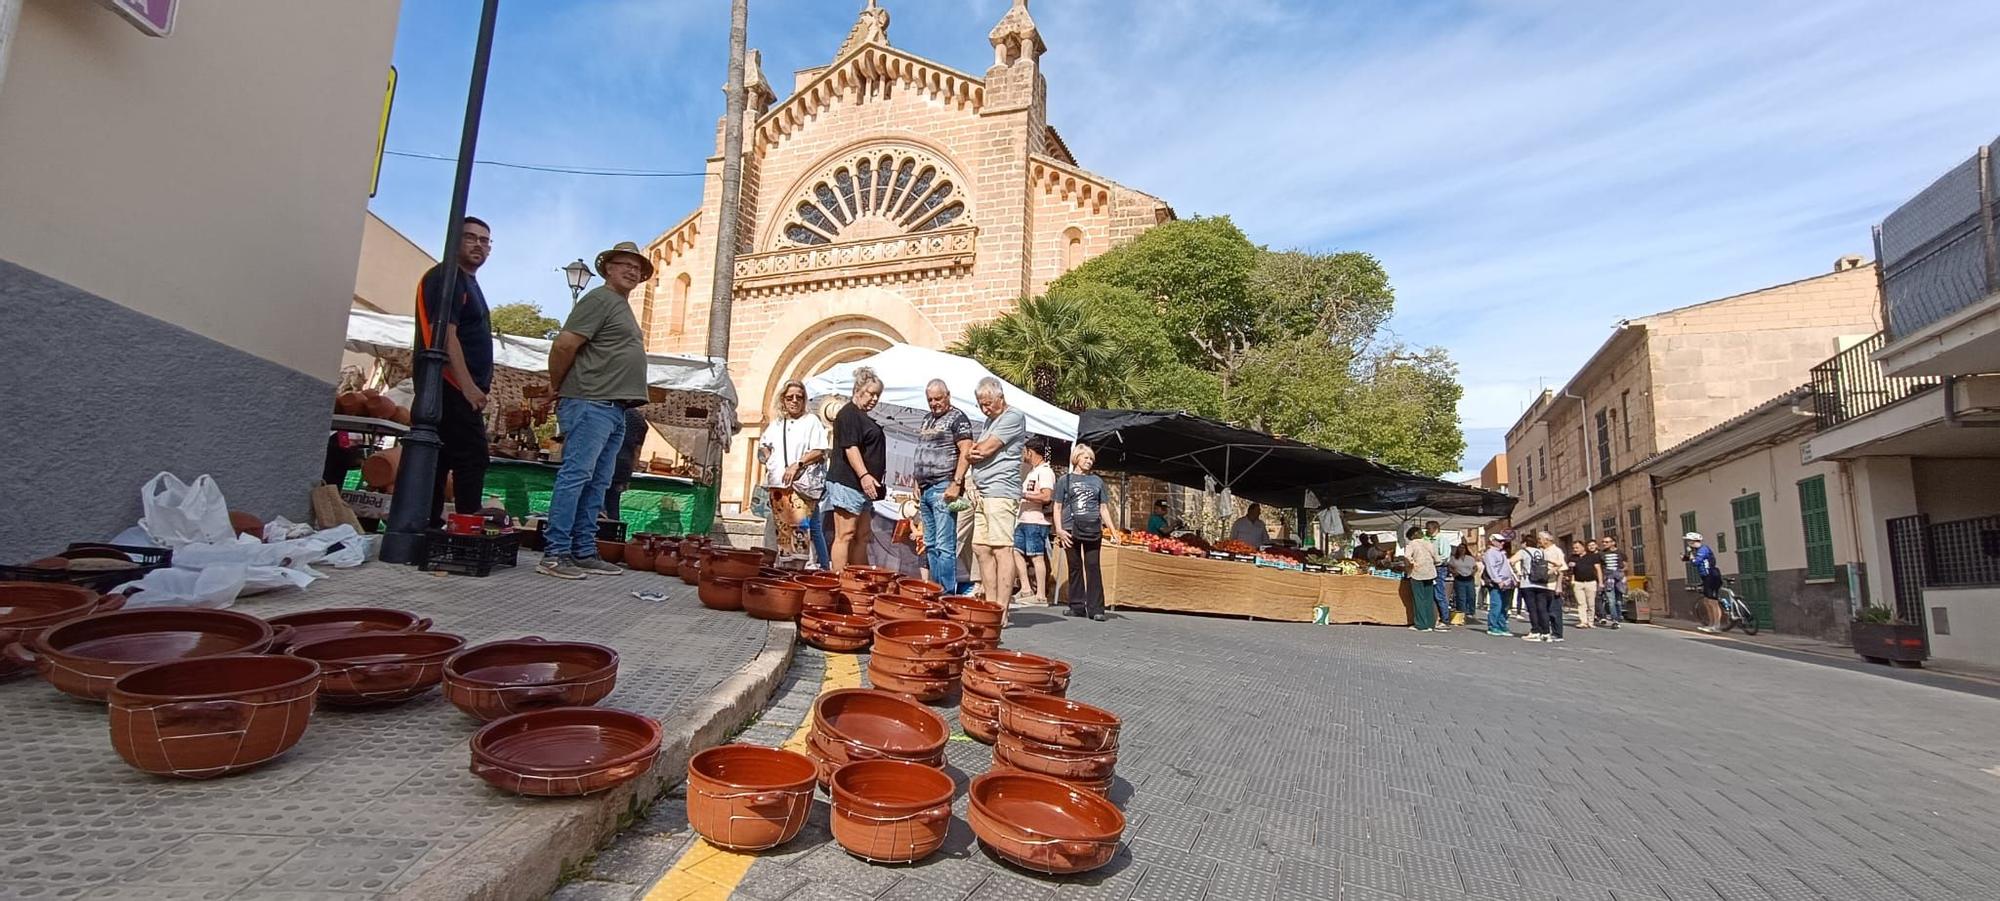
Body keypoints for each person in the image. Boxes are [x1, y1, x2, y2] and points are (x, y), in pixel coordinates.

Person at [539, 242, 653, 580]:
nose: (632, 271)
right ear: (607, 268)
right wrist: (557, 384)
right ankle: (556, 553)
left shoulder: (618, 305)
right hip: (591, 401)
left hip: (613, 407)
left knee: (598, 481)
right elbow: (565, 344)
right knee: (577, 476)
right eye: (624, 265)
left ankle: (583, 550)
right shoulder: (600, 299)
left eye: (637, 267)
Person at [414, 216, 495, 529]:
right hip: (449, 385)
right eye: (470, 237)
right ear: (453, 240)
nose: (479, 245)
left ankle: (430, 526)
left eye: (484, 240)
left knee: (443, 459)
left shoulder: (467, 281)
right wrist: (468, 386)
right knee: (473, 458)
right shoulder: (447, 276)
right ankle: (466, 530)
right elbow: (444, 334)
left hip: (457, 387)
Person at [965, 377, 1028, 607]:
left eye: (988, 403)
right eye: (981, 404)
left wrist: (974, 452)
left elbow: (984, 449)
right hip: (983, 492)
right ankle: (990, 605)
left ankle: (1002, 607)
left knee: (1002, 548)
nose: (984, 408)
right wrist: (973, 453)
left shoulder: (1013, 416)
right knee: (980, 547)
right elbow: (972, 452)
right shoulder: (988, 422)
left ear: (1000, 397)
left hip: (1001, 491)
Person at [758, 380, 830, 566]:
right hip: (778, 485)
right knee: (782, 529)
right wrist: (769, 459)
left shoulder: (811, 421)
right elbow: (764, 445)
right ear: (783, 399)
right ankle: (784, 568)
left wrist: (797, 464)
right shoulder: (776, 424)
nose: (795, 401)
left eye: (799, 397)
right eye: (790, 397)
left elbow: (819, 449)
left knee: (799, 529)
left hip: (800, 485)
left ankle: (797, 570)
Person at [911, 379, 974, 588]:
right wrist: (915, 481)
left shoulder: (958, 418)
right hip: (925, 488)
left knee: (944, 545)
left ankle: (946, 594)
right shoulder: (927, 419)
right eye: (930, 399)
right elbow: (922, 448)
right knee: (929, 545)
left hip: (943, 486)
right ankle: (934, 589)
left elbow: (966, 450)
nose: (934, 403)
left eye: (938, 398)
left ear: (947, 395)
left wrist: (956, 482)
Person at [825, 368, 888, 572]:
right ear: (859, 389)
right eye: (871, 393)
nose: (875, 399)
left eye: (878, 395)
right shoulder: (848, 414)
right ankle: (839, 580)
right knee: (846, 533)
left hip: (863, 489)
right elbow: (851, 448)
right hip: (848, 482)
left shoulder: (862, 416)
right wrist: (864, 475)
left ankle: (858, 581)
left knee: (862, 535)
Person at [1053, 444, 1109, 621]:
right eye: (1086, 458)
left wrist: (1112, 529)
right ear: (1077, 458)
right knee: (1074, 566)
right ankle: (1076, 605)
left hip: (1093, 528)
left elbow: (1104, 508)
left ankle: (1096, 609)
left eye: (1091, 459)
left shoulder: (1098, 481)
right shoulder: (1065, 480)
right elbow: (1057, 506)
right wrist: (1059, 529)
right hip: (1070, 528)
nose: (1089, 461)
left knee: (1093, 566)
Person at [1014, 437, 1056, 605]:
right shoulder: (1032, 471)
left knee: (1036, 556)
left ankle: (1040, 594)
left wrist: (1024, 495)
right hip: (1023, 519)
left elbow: (1046, 496)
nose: (1023, 455)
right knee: (1016, 551)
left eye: (1024, 451)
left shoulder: (1045, 471)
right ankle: (1025, 588)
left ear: (1030, 452)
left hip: (1036, 520)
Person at [1519, 531, 1568, 642]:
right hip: (1542, 585)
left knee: (1554, 610)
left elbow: (1562, 569)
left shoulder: (1556, 551)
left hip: (1552, 584)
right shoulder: (1541, 551)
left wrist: (1559, 585)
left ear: (1547, 540)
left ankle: (1557, 633)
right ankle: (1543, 631)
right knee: (1542, 609)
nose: (1538, 540)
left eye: (1540, 538)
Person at [603, 407, 648, 521]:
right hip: (623, 467)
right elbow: (637, 451)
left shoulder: (612, 410)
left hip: (605, 462)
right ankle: (611, 534)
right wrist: (628, 476)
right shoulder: (641, 421)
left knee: (594, 502)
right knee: (613, 504)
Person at [1402, 525, 1442, 631]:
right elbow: (1438, 559)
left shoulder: (1411, 544)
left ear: (1412, 536)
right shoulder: (1429, 543)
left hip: (1417, 573)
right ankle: (1430, 623)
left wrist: (1411, 564)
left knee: (1418, 599)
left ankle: (1421, 624)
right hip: (1430, 573)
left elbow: (1406, 556)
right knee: (1428, 599)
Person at [1684, 531, 1723, 632]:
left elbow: (1696, 562)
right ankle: (1711, 624)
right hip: (1706, 577)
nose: (1688, 543)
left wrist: (1691, 556)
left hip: (1712, 576)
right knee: (1706, 601)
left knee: (1712, 602)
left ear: (1693, 541)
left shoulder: (1703, 549)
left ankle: (1716, 625)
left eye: (1689, 541)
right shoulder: (1698, 551)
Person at [1480, 534, 1518, 636]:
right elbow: (1491, 568)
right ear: (1493, 541)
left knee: (1505, 606)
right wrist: (1498, 580)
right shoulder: (1490, 553)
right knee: (1496, 605)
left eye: (1503, 541)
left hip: (1507, 582)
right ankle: (1493, 626)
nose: (1502, 543)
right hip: (1498, 583)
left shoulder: (1502, 553)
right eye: (1500, 541)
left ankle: (1502, 626)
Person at [1424, 520, 1452, 625]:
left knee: (1439, 594)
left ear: (1435, 528)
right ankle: (1434, 617)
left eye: (1428, 528)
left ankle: (1445, 619)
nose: (1426, 530)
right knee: (1431, 594)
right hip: (1430, 568)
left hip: (1439, 568)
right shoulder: (1429, 539)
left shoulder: (1442, 539)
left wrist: (1434, 560)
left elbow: (1445, 556)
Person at [1570, 539, 1602, 630]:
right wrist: (1572, 580)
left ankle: (1590, 621)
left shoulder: (1592, 556)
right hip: (1578, 582)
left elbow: (1598, 569)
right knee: (1581, 603)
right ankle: (1583, 621)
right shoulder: (1573, 557)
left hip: (1590, 582)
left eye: (1577, 548)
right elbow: (1571, 571)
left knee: (1591, 603)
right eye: (1574, 548)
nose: (1575, 550)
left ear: (1583, 547)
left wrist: (1601, 582)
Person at [1597, 533, 1626, 628]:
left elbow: (1626, 565)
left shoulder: (1620, 553)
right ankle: (1615, 620)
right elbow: (1599, 568)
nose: (1604, 543)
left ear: (1613, 543)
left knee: (1618, 601)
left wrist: (1623, 575)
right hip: (1608, 579)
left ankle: (1619, 615)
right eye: (1603, 542)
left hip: (1619, 578)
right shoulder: (1601, 554)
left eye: (1606, 542)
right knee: (1611, 600)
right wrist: (1601, 581)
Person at [1446, 542, 1480, 624]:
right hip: (1459, 578)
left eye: (1463, 548)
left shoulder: (1470, 558)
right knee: (1461, 597)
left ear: (1466, 549)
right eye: (1460, 548)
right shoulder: (1454, 558)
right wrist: (1454, 572)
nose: (1461, 549)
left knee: (1471, 595)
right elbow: (1449, 567)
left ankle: (1471, 612)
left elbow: (1475, 567)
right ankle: (1462, 613)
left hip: (1469, 578)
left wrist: (1473, 572)